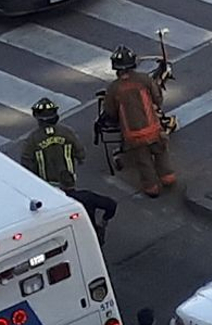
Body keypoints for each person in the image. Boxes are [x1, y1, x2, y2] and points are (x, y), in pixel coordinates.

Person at [104, 45, 175, 198]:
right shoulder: (144, 80)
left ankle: (152, 187)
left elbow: (109, 111)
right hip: (153, 128)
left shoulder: (114, 88)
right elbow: (158, 99)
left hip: (133, 134)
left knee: (143, 161)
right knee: (161, 152)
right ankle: (167, 177)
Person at [20, 98, 85, 185]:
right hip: (68, 181)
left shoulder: (33, 139)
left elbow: (26, 161)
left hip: (45, 183)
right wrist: (80, 158)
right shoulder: (67, 132)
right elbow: (80, 152)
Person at [57, 170, 116, 246]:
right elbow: (111, 204)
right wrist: (104, 221)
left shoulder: (59, 201)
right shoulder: (87, 196)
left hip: (69, 240)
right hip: (90, 234)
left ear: (60, 184)